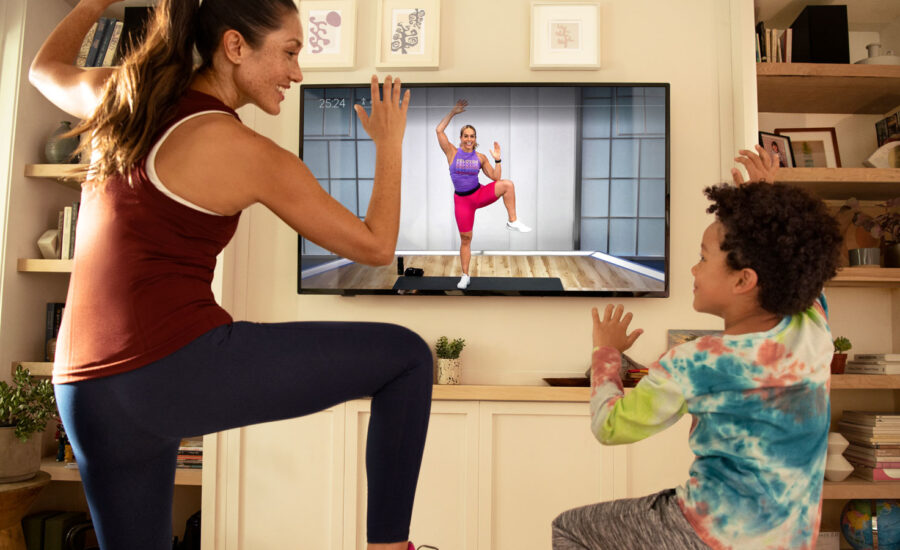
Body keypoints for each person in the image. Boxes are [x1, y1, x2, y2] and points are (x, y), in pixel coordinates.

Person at [29, 1, 432, 549]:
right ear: (235, 46)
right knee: (406, 357)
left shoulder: (122, 96)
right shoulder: (247, 152)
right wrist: (389, 146)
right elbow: (377, 246)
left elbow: (43, 70)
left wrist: (93, 4)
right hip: (167, 369)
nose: (297, 72)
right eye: (289, 52)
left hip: (81, 385)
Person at [551, 146, 843, 549]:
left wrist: (606, 353)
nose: (692, 269)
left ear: (743, 281)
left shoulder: (695, 363)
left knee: (569, 528)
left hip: (704, 533)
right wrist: (764, 201)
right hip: (791, 538)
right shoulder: (813, 327)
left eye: (702, 258)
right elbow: (798, 260)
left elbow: (609, 426)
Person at [435, 99, 531, 290]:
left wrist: (498, 160)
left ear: (475, 139)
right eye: (465, 136)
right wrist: (453, 112)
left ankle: (512, 221)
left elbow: (496, 178)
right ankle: (465, 275)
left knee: (507, 185)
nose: (469, 139)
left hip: (478, 194)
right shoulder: (451, 152)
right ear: (461, 138)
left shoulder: (480, 157)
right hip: (462, 201)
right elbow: (439, 130)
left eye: (472, 136)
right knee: (466, 239)